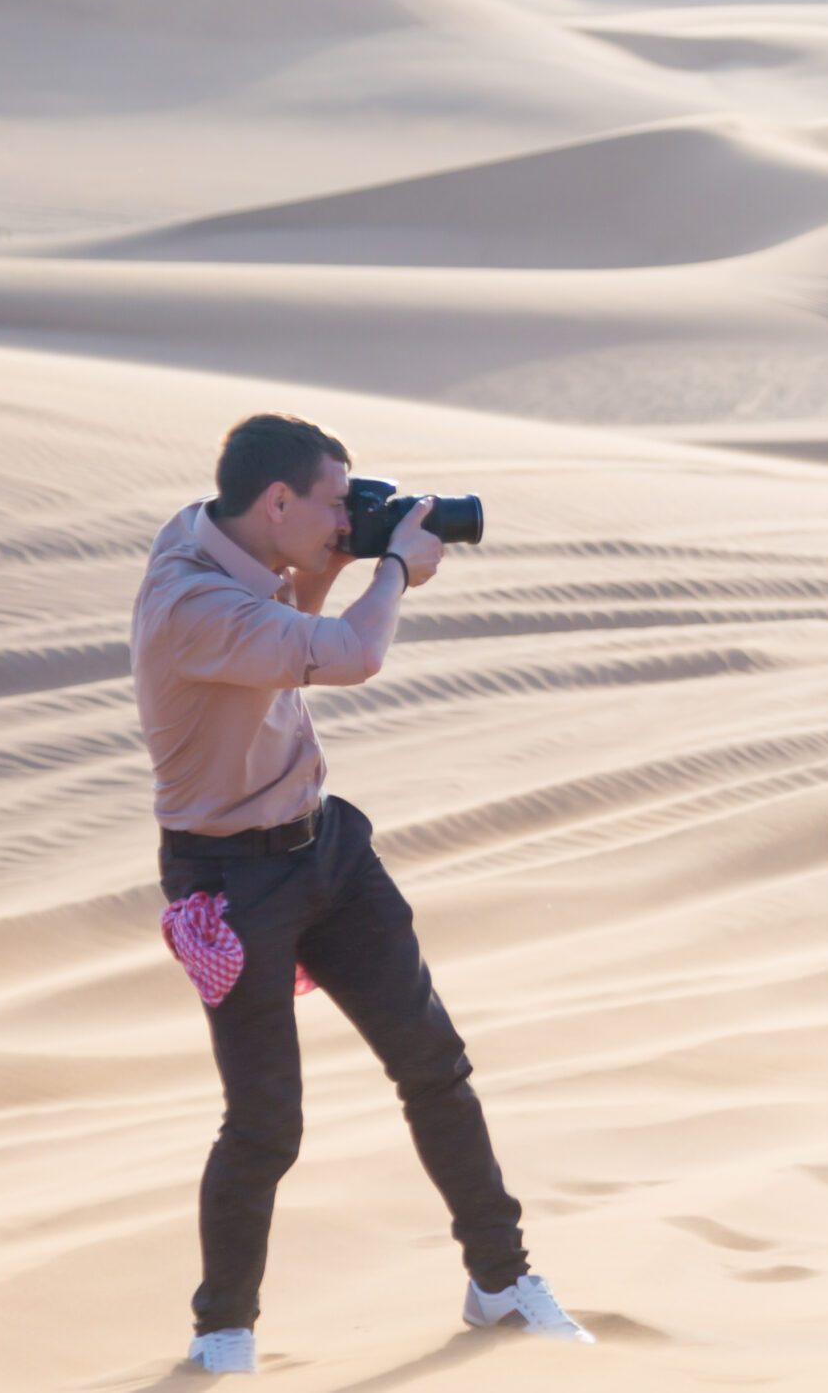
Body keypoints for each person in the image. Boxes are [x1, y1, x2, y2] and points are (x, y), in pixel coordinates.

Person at [129, 413, 591, 1374]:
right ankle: (224, 1336)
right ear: (278, 502)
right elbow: (349, 656)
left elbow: (296, 615)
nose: (352, 512)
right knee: (265, 1122)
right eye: (338, 501)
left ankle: (501, 1284)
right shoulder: (189, 602)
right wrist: (398, 569)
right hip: (230, 879)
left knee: (435, 1062)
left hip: (325, 848)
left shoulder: (216, 532)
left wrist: (338, 554)